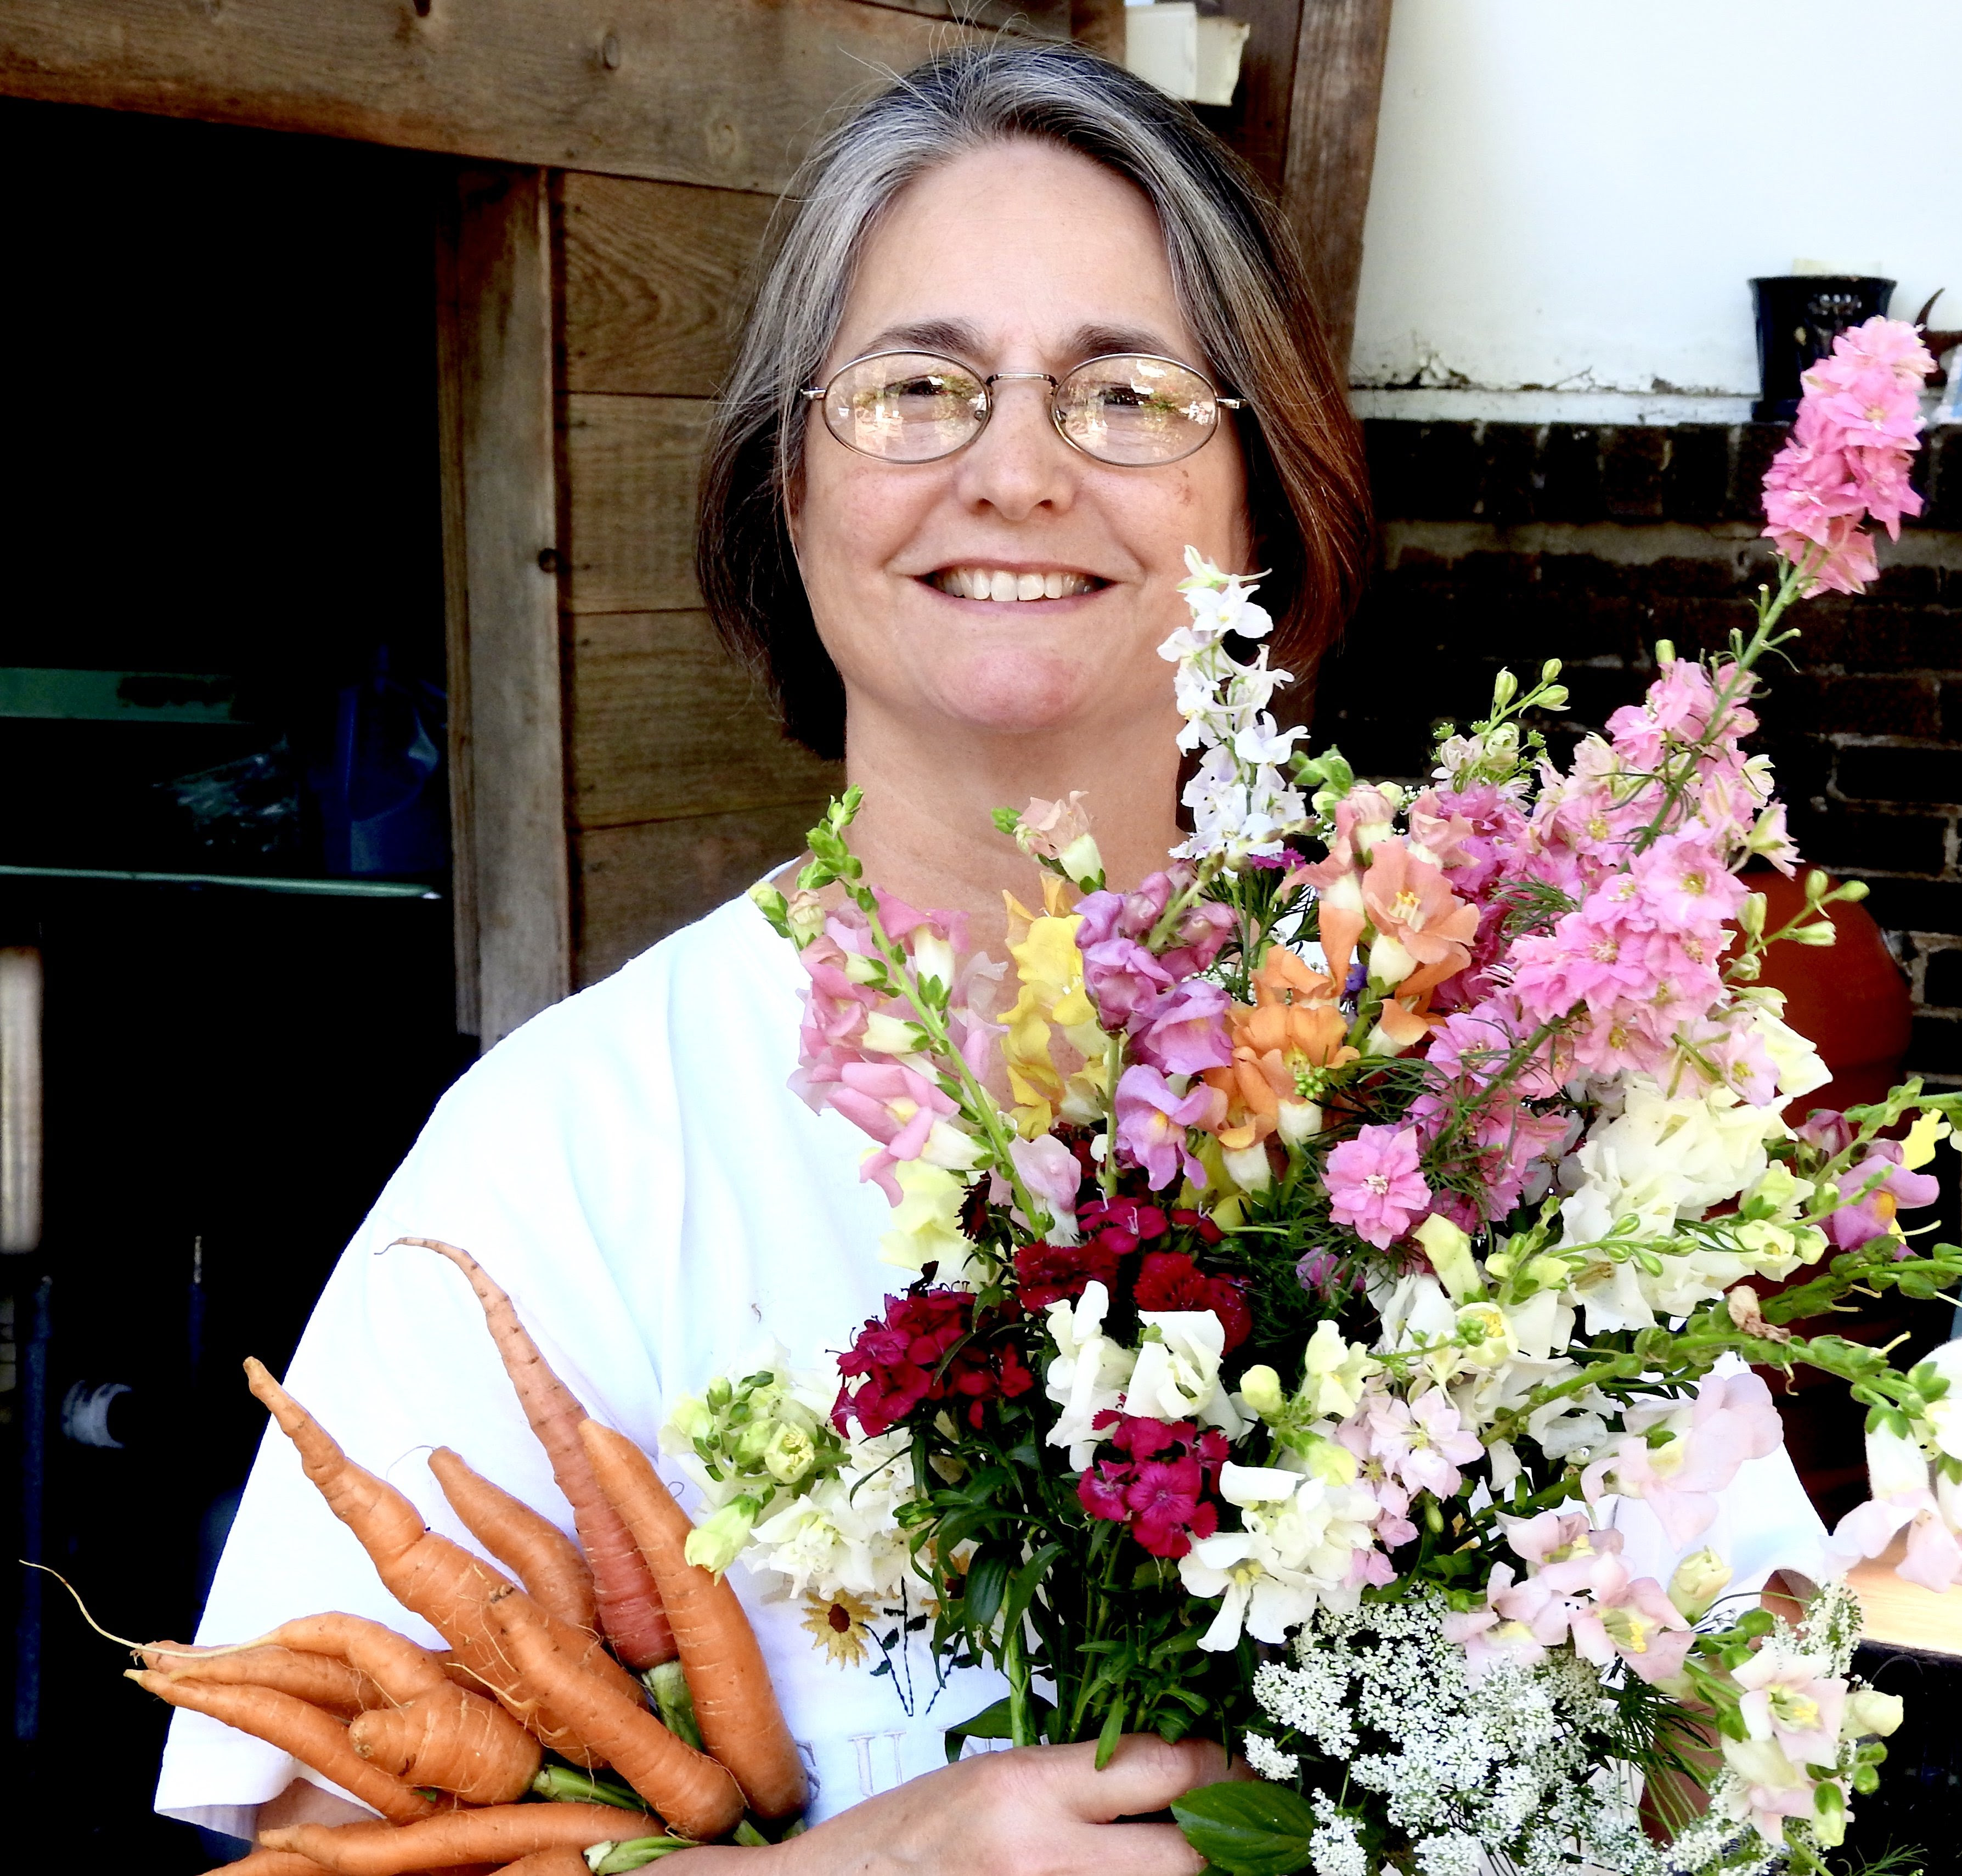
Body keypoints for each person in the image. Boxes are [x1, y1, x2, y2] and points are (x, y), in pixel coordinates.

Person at [158, 43, 1828, 1874]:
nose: (1016, 467)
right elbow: (316, 1843)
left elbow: (1751, 1766)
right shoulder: (567, 1159)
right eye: (918, 385)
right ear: (785, 492)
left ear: (1260, 510)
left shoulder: (1482, 1109)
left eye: (1127, 391)